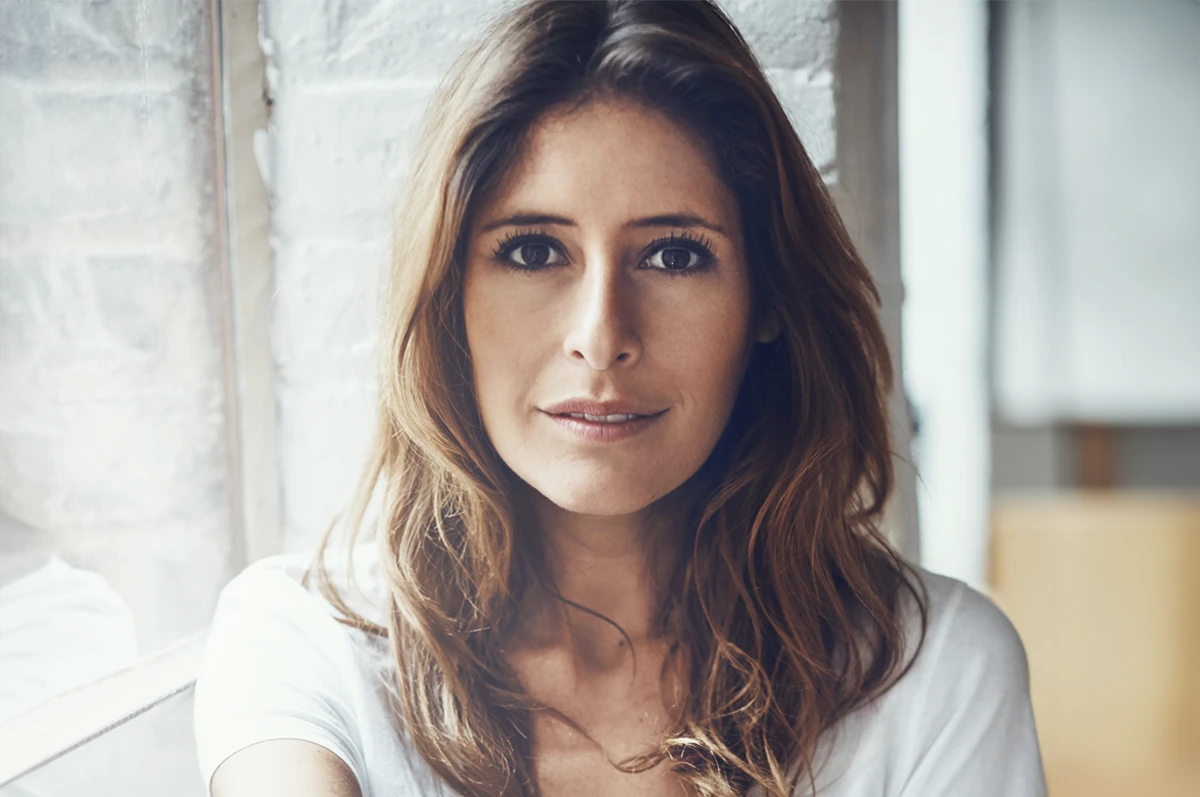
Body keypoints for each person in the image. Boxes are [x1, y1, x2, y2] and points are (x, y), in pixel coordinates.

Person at [193, 0, 1047, 795]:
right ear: (449, 293)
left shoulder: (937, 674)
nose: (600, 337)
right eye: (534, 251)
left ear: (768, 300)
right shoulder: (307, 646)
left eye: (674, 255)